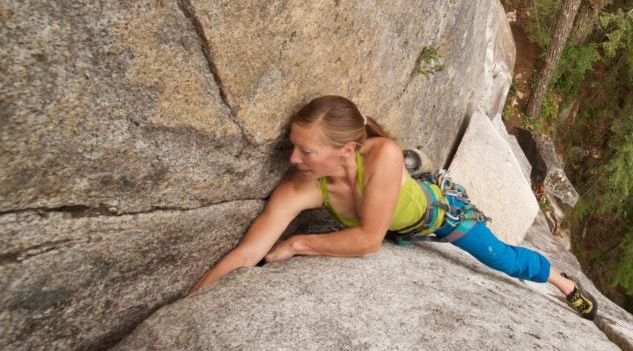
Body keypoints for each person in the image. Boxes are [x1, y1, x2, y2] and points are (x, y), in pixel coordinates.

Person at [189, 95, 597, 319]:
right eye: (293, 147)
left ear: (347, 148)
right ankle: (414, 173)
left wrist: (298, 245)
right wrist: (192, 302)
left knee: (502, 258)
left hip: (440, 215)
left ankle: (561, 282)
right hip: (397, 223)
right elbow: (247, 253)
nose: (293, 159)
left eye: (306, 150)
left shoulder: (381, 153)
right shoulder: (301, 189)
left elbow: (367, 241)